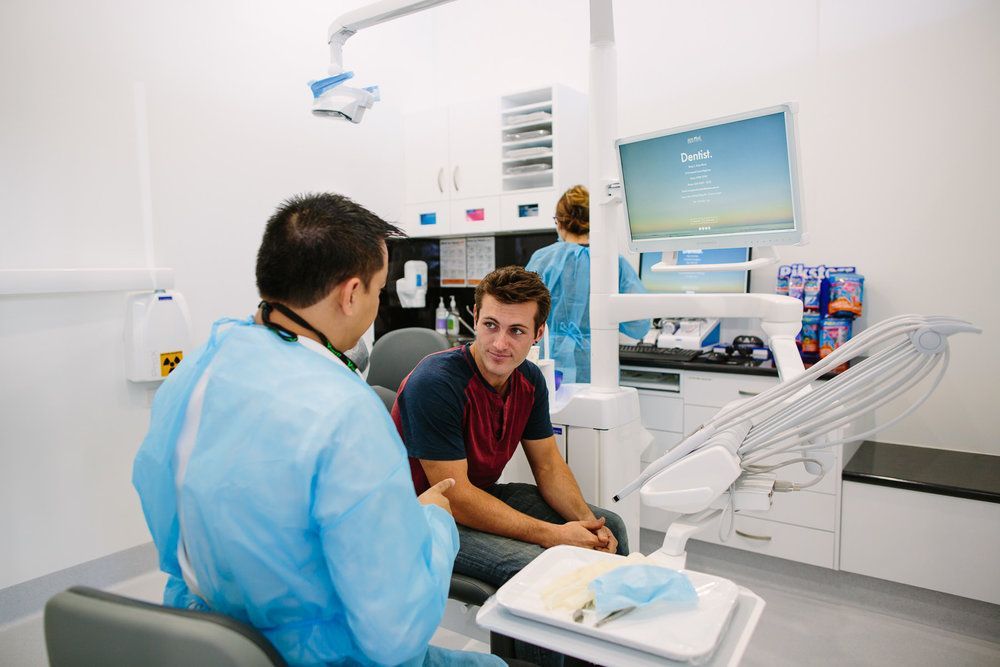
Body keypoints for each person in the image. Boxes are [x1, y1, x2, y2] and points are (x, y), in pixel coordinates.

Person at [132, 193, 503, 667]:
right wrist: (430, 521)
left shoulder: (195, 372)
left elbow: (169, 512)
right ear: (351, 294)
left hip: (206, 641)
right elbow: (396, 634)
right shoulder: (347, 412)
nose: (378, 303)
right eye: (378, 290)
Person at [393, 266, 629, 592]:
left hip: (481, 494)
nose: (500, 343)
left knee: (612, 526)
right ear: (475, 317)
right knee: (541, 566)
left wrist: (589, 525)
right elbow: (455, 498)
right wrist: (554, 535)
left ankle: (609, 635)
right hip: (422, 516)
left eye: (517, 330)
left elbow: (548, 466)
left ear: (538, 333)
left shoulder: (529, 380)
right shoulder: (436, 382)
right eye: (491, 325)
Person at [525, 184, 650, 383]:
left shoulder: (543, 260)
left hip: (546, 369)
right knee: (592, 412)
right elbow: (639, 324)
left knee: (549, 412)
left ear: (559, 222)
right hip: (597, 369)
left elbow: (521, 315)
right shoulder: (612, 263)